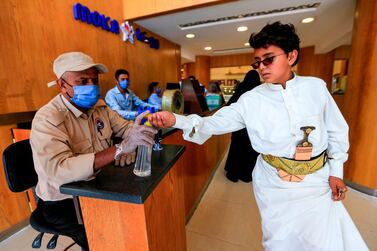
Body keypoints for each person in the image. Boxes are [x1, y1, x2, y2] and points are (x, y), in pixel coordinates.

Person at [148, 22, 368, 250]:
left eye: (269, 59)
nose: (261, 67)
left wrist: (336, 172)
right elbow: (214, 122)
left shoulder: (316, 88)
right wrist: (177, 120)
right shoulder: (251, 100)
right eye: (257, 61)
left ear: (291, 56)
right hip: (274, 183)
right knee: (280, 241)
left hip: (318, 181)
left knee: (322, 240)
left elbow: (336, 130)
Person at [31, 52, 156, 251]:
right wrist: (120, 149)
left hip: (96, 188)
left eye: (94, 80)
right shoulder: (47, 119)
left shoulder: (100, 108)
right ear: (62, 85)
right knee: (100, 238)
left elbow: (125, 128)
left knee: (128, 222)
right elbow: (58, 170)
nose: (91, 86)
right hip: (63, 200)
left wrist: (140, 130)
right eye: (82, 81)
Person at [224, 70, 261, 183]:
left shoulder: (241, 88)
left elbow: (230, 105)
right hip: (255, 127)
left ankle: (233, 174)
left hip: (240, 126)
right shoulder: (260, 90)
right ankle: (247, 175)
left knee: (237, 149)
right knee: (251, 150)